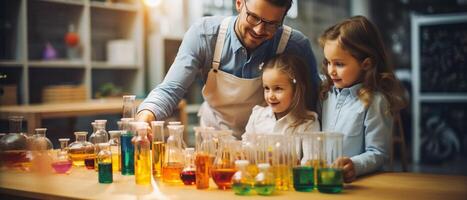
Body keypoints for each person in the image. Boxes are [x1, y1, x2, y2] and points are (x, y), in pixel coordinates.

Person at [136, 0, 320, 138]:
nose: (259, 29)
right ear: (239, 3)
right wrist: (147, 115)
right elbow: (171, 89)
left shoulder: (295, 46)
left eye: (272, 24)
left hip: (266, 145)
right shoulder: (205, 35)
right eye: (253, 17)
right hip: (214, 138)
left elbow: (314, 101)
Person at [319, 16, 406, 183]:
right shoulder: (326, 94)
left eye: (339, 64)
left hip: (361, 183)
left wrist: (354, 165)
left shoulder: (375, 101)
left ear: (366, 64)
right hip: (327, 182)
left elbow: (378, 153)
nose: (331, 70)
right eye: (328, 62)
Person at [242, 54, 320, 138]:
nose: (271, 96)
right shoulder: (257, 116)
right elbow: (245, 147)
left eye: (278, 88)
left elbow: (311, 151)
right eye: (267, 88)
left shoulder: (308, 123)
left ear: (296, 90)